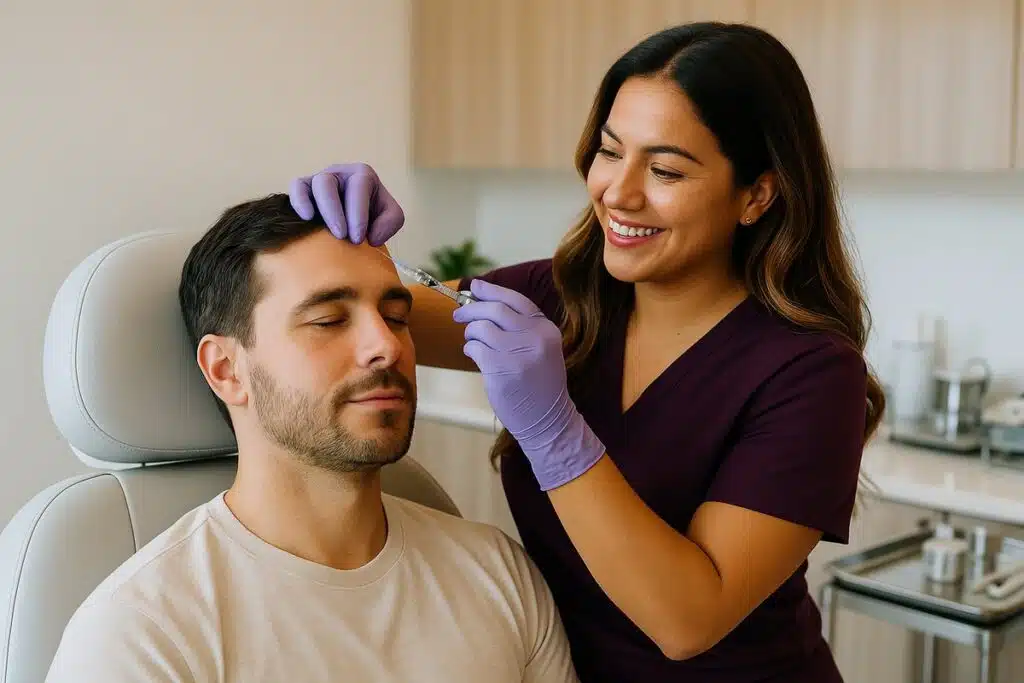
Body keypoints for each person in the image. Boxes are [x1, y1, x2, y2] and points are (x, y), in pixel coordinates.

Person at [285, 21, 886, 683]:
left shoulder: (810, 373)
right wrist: (344, 242)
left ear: (757, 194)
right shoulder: (558, 296)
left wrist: (553, 430)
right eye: (609, 151)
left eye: (665, 170)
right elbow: (374, 317)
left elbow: (688, 619)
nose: (618, 193)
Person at [45, 194, 579, 683]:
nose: (386, 347)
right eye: (328, 320)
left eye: (396, 317)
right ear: (227, 369)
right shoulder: (141, 635)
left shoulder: (498, 575)